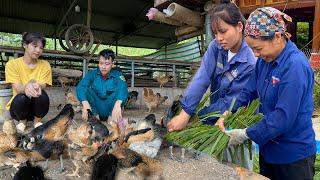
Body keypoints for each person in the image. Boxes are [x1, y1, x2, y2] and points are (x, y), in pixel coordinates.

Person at [218, 7, 316, 179]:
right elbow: (249, 91)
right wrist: (229, 111)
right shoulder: (265, 61)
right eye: (252, 49)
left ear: (277, 37)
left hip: (292, 155)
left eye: (258, 48)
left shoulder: (295, 66)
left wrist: (245, 134)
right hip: (268, 150)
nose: (256, 54)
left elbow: (282, 117)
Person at [167, 0, 256, 132]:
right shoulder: (216, 47)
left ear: (239, 27)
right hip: (213, 113)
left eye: (223, 31)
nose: (219, 38)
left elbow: (230, 102)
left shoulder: (249, 63)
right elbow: (202, 78)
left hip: (231, 119)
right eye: (215, 33)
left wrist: (200, 117)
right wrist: (185, 112)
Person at [5, 32, 52, 133]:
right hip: (19, 109)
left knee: (42, 94)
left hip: (37, 109)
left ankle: (37, 121)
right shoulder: (12, 64)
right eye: (34, 46)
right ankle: (22, 121)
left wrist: (38, 86)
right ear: (25, 45)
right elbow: (17, 87)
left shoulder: (45, 65)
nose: (38, 50)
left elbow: (44, 84)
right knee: (22, 96)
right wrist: (26, 88)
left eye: (41, 48)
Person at [76, 49, 128, 122]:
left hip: (111, 109)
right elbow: (81, 87)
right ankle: (95, 117)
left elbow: (123, 89)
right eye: (101, 63)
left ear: (112, 64)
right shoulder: (92, 74)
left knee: (120, 92)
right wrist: (85, 103)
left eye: (107, 64)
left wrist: (118, 103)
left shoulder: (118, 75)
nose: (103, 67)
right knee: (86, 90)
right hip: (96, 109)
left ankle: (111, 118)